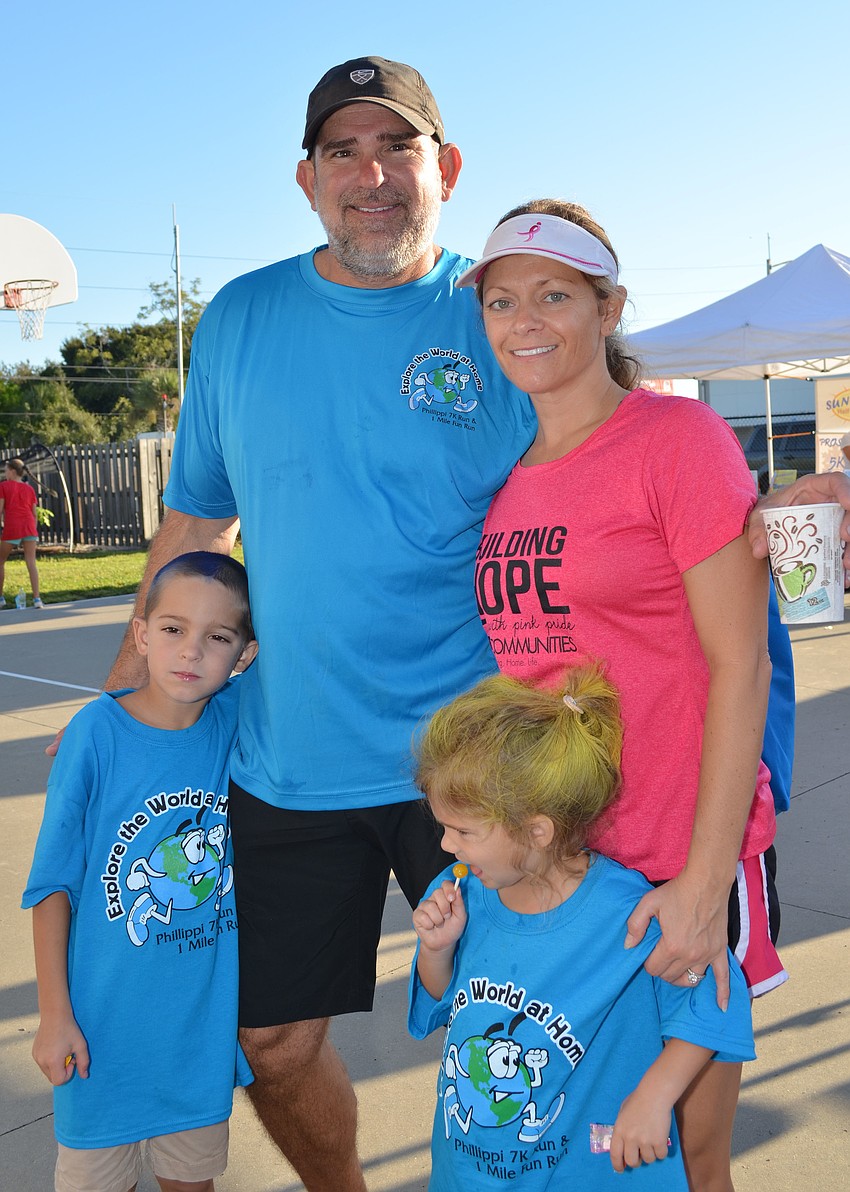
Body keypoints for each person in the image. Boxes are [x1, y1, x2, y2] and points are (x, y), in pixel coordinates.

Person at [51, 54, 848, 1191]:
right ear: (307, 178)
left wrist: (771, 512)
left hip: (500, 768)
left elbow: (634, 459)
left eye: (398, 147)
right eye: (343, 151)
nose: (371, 174)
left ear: (446, 167)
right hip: (295, 761)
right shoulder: (242, 319)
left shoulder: (501, 311)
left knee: (568, 1047)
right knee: (273, 1041)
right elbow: (193, 528)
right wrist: (129, 707)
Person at [455, 199, 787, 1189]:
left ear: (608, 309)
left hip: (677, 857)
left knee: (686, 1158)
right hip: (565, 869)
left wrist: (704, 881)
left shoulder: (676, 439)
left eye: (554, 295)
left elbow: (742, 665)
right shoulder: (507, 481)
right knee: (578, 1150)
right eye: (502, 301)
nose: (524, 320)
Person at [410, 666, 755, 1189]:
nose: (446, 845)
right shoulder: (462, 894)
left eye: (463, 831)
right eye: (444, 827)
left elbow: (717, 1000)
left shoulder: (627, 914)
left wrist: (656, 1094)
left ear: (537, 831)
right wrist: (437, 950)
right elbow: (447, 999)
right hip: (468, 1171)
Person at [23, 552, 258, 1192]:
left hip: (195, 1043)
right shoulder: (95, 735)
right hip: (98, 1039)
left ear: (243, 654)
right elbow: (51, 885)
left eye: (218, 637)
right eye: (173, 628)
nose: (192, 651)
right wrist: (53, 1015)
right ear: (141, 635)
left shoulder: (235, 717)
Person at [0, 456, 43, 608]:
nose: (5, 473)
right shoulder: (29, 489)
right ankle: (37, 599)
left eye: (6, 471)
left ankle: (1, 598)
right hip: (29, 526)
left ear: (12, 471)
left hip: (13, 527)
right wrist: (33, 530)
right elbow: (34, 513)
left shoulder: (3, 486)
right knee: (31, 563)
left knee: (1, 561)